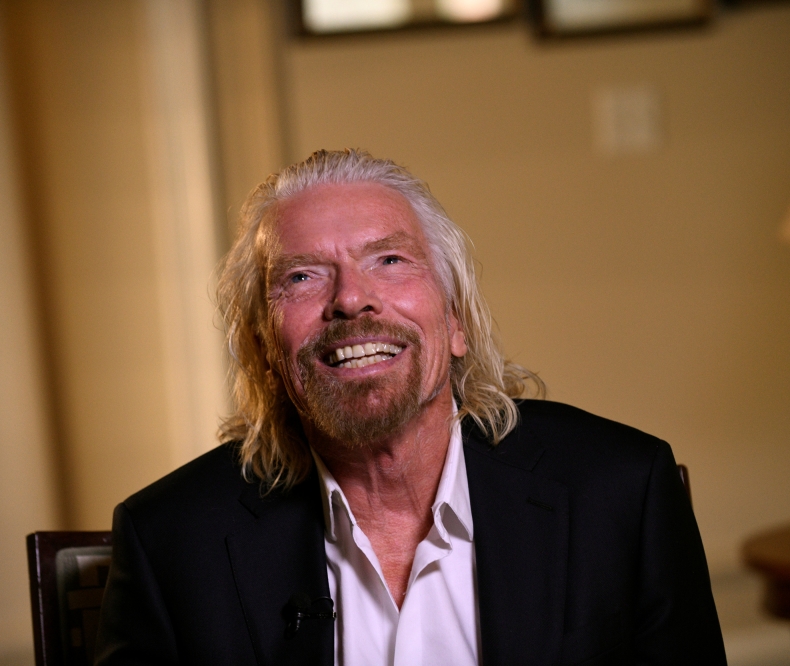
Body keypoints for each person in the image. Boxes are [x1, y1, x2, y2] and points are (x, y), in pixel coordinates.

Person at [95, 149, 726, 665]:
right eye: (302, 277)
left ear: (456, 321)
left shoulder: (619, 492)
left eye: (390, 260)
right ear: (264, 352)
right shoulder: (170, 542)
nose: (352, 300)